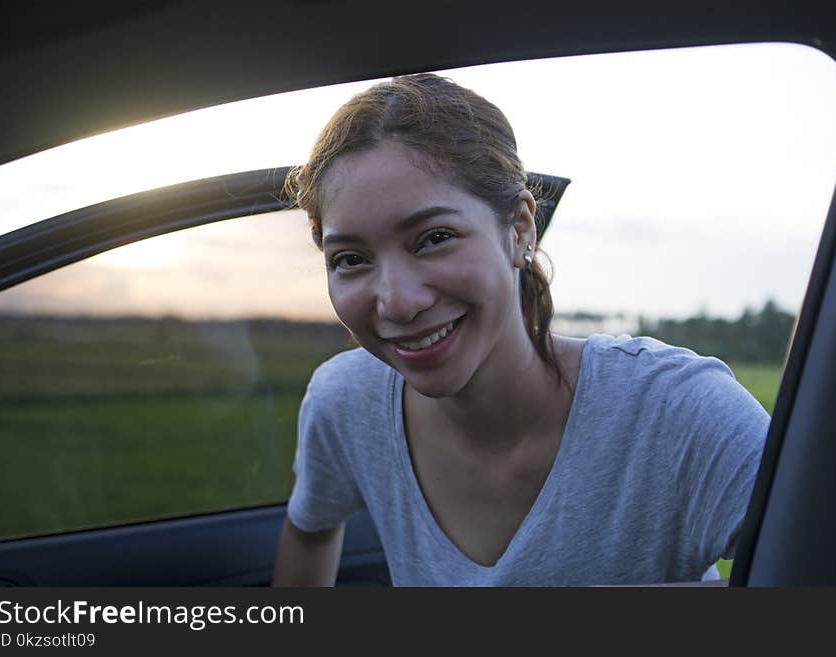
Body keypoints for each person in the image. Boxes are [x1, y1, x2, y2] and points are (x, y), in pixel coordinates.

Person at [272, 73, 769, 586]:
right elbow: (310, 531)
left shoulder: (673, 411)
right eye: (351, 259)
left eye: (434, 238)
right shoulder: (346, 401)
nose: (397, 303)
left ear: (520, 229)